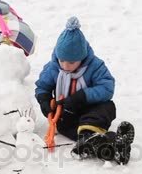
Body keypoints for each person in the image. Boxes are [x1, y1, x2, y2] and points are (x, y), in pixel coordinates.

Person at [35, 17, 135, 165]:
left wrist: (82, 96)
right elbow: (42, 86)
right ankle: (99, 143)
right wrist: (44, 100)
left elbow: (107, 87)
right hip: (66, 113)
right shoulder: (53, 67)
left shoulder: (95, 66)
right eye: (61, 60)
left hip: (89, 110)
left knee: (107, 107)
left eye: (71, 62)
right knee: (66, 124)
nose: (65, 65)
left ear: (82, 57)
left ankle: (92, 140)